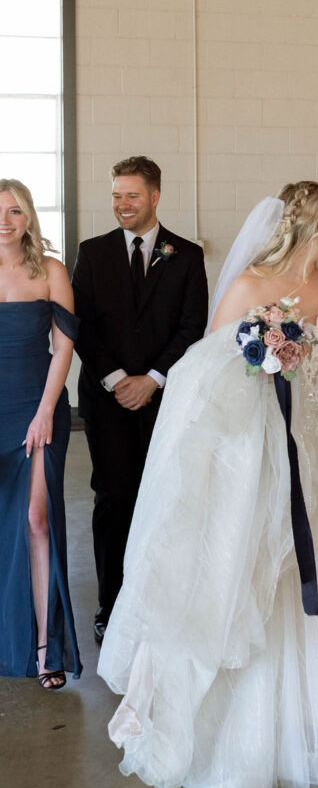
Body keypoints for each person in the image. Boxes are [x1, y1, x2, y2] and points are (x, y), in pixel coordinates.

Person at [97, 182, 318, 788]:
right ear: (312, 224)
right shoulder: (251, 285)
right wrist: (264, 367)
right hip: (265, 447)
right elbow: (206, 373)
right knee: (266, 573)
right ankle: (251, 734)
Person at [72, 156, 208, 644]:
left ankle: (158, 602)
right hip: (107, 401)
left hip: (165, 398)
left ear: (154, 196)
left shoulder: (187, 255)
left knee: (165, 499)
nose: (122, 204)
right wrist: (116, 379)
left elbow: (193, 326)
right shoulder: (92, 252)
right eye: (115, 195)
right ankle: (112, 607)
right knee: (113, 499)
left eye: (131, 195)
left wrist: (152, 379)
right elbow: (80, 324)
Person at [0, 179, 81, 689]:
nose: (5, 220)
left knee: (36, 520)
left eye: (14, 211)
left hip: (37, 405)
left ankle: (45, 646)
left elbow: (65, 346)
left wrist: (47, 411)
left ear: (29, 217)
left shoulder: (50, 270)